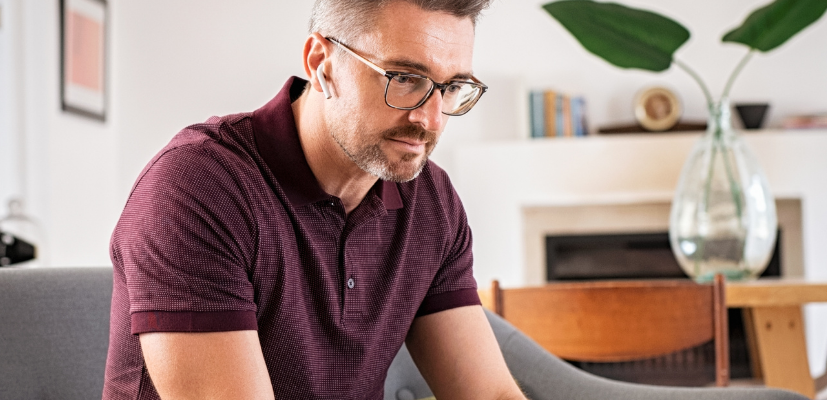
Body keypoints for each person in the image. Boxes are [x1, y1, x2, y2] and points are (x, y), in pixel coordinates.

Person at [102, 0, 525, 399]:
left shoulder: (431, 202)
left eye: (452, 87)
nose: (430, 120)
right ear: (321, 63)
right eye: (404, 78)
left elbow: (490, 393)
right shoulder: (198, 187)